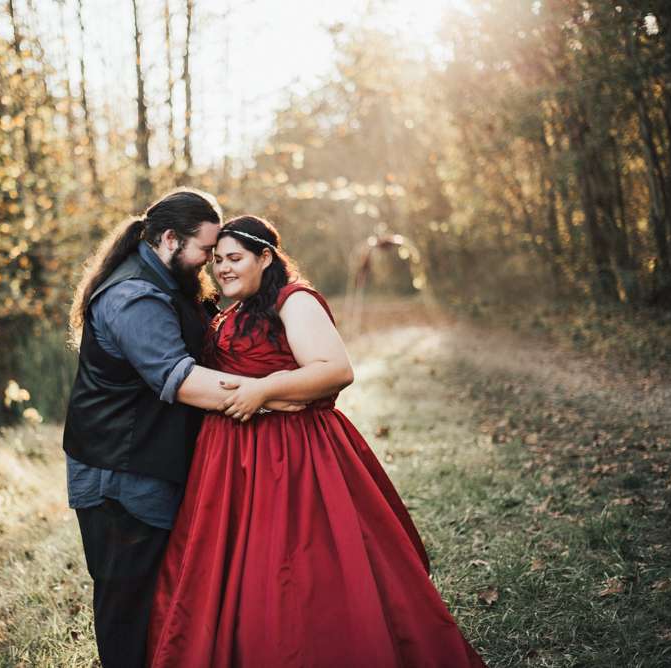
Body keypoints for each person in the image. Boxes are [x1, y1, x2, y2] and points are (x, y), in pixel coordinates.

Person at [147, 215, 486, 667]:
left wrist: (265, 390)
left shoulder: (294, 300)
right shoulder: (235, 311)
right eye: (218, 260)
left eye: (235, 258)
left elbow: (335, 370)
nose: (223, 268)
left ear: (265, 258)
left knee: (296, 566)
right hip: (230, 461)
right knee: (235, 571)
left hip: (290, 454)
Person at [62, 190, 301, 668]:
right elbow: (182, 379)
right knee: (128, 600)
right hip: (119, 472)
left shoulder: (170, 282)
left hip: (151, 460)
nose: (211, 263)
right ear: (170, 239)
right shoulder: (133, 297)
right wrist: (272, 394)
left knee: (163, 595)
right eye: (206, 251)